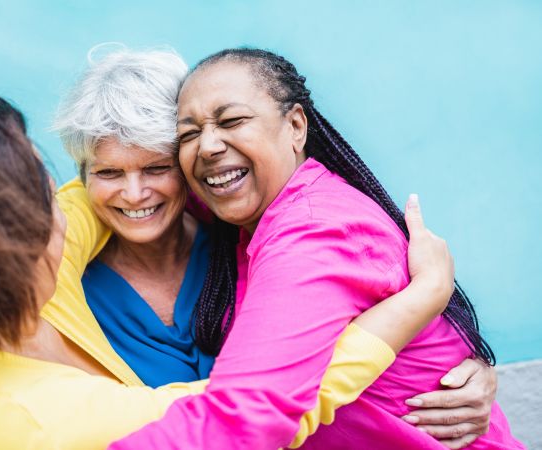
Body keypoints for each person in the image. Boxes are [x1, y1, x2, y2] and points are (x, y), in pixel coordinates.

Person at [0, 50, 498, 450]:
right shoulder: (62, 421)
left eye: (158, 164)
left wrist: (459, 348)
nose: (71, 208)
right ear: (8, 251)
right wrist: (419, 301)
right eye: (55, 195)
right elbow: (249, 416)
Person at [107, 48, 523, 449]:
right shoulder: (249, 207)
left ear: (296, 127)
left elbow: (243, 417)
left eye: (232, 121)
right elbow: (117, 194)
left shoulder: (317, 234)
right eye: (189, 134)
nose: (209, 146)